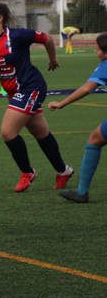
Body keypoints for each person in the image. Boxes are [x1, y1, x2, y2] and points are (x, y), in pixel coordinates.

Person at [0, 2, 73, 192]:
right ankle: (63, 170)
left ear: (0, 18)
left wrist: (53, 59)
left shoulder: (18, 35)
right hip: (15, 93)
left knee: (8, 132)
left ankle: (27, 172)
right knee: (41, 133)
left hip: (31, 87)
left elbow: (47, 39)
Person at [48, 32, 107, 202]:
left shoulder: (105, 65)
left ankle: (82, 192)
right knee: (96, 137)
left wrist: (62, 103)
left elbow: (87, 89)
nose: (96, 53)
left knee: (94, 140)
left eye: (97, 50)